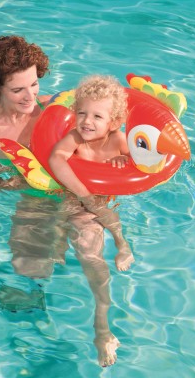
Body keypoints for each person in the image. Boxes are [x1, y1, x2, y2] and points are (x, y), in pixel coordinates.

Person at [0, 35, 120, 367]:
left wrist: (115, 163)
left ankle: (102, 328)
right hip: (34, 198)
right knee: (27, 267)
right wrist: (13, 181)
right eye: (17, 89)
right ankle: (37, 307)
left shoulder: (55, 109)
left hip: (76, 193)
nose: (30, 96)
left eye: (34, 84)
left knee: (90, 251)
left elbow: (104, 135)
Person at [49, 74, 135, 272]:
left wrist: (123, 159)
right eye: (82, 113)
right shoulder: (76, 137)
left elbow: (139, 163)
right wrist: (83, 194)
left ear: (113, 122)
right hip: (76, 192)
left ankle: (122, 246)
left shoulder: (118, 140)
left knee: (108, 216)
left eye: (97, 116)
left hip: (104, 196)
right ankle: (59, 243)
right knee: (61, 214)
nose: (87, 121)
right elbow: (56, 157)